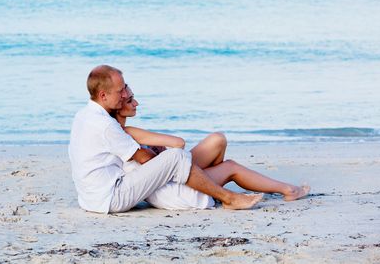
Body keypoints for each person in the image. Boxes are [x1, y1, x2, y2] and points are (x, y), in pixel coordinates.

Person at [68, 65, 263, 214]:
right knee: (176, 157)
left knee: (174, 158)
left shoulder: (83, 115)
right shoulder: (105, 126)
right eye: (120, 91)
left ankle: (206, 184)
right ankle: (228, 198)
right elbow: (145, 159)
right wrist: (169, 165)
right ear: (103, 95)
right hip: (112, 197)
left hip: (91, 198)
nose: (125, 95)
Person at [114, 85, 310, 210]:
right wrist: (159, 148)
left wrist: (157, 150)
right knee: (230, 167)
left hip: (169, 176)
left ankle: (212, 182)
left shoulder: (121, 132)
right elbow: (178, 143)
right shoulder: (128, 131)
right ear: (118, 106)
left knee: (218, 140)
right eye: (130, 100)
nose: (136, 103)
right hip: (171, 185)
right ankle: (288, 190)